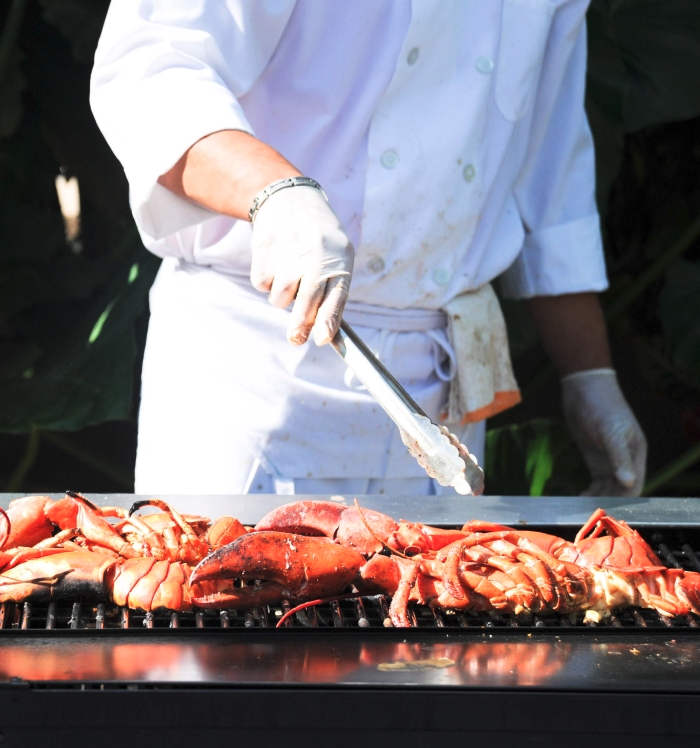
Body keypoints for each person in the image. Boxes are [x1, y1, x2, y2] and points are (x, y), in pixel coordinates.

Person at [90, 1, 646, 497]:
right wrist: (275, 193)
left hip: (440, 404)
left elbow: (549, 175)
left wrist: (589, 377)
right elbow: (149, 69)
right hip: (256, 371)